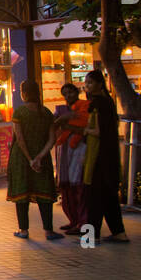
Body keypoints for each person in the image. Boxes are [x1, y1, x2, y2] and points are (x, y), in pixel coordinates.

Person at [7, 80, 63, 240]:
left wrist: (30, 159)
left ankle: (23, 230)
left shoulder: (19, 113)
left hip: (21, 159)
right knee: (44, 192)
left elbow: (20, 139)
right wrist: (39, 157)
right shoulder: (46, 113)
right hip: (42, 159)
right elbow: (52, 139)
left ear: (24, 93)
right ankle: (48, 230)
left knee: (22, 193)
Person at [83, 69, 130, 243]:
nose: (86, 86)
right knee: (109, 196)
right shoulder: (109, 102)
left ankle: (89, 237)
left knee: (94, 197)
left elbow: (98, 131)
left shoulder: (96, 104)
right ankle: (119, 232)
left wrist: (85, 129)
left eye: (90, 83)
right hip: (110, 155)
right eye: (86, 83)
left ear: (99, 84)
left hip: (98, 156)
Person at [53, 82, 90, 232]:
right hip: (65, 150)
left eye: (71, 93)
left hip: (79, 150)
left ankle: (82, 222)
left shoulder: (85, 107)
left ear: (77, 93)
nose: (68, 96)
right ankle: (73, 220)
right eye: (65, 94)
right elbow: (54, 125)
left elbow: (85, 128)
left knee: (78, 187)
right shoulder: (61, 110)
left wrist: (66, 124)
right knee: (66, 186)